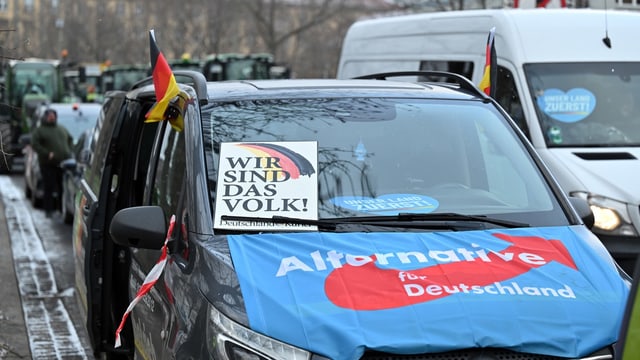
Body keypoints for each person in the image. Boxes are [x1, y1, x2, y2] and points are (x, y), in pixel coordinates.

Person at [31, 109, 73, 217]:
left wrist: (68, 151)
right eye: (49, 116)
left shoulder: (61, 128)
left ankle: (60, 209)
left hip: (62, 163)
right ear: (45, 117)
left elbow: (70, 139)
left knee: (61, 187)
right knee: (48, 187)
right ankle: (48, 210)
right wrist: (46, 153)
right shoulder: (40, 130)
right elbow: (35, 144)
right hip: (47, 164)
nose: (51, 117)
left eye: (53, 115)